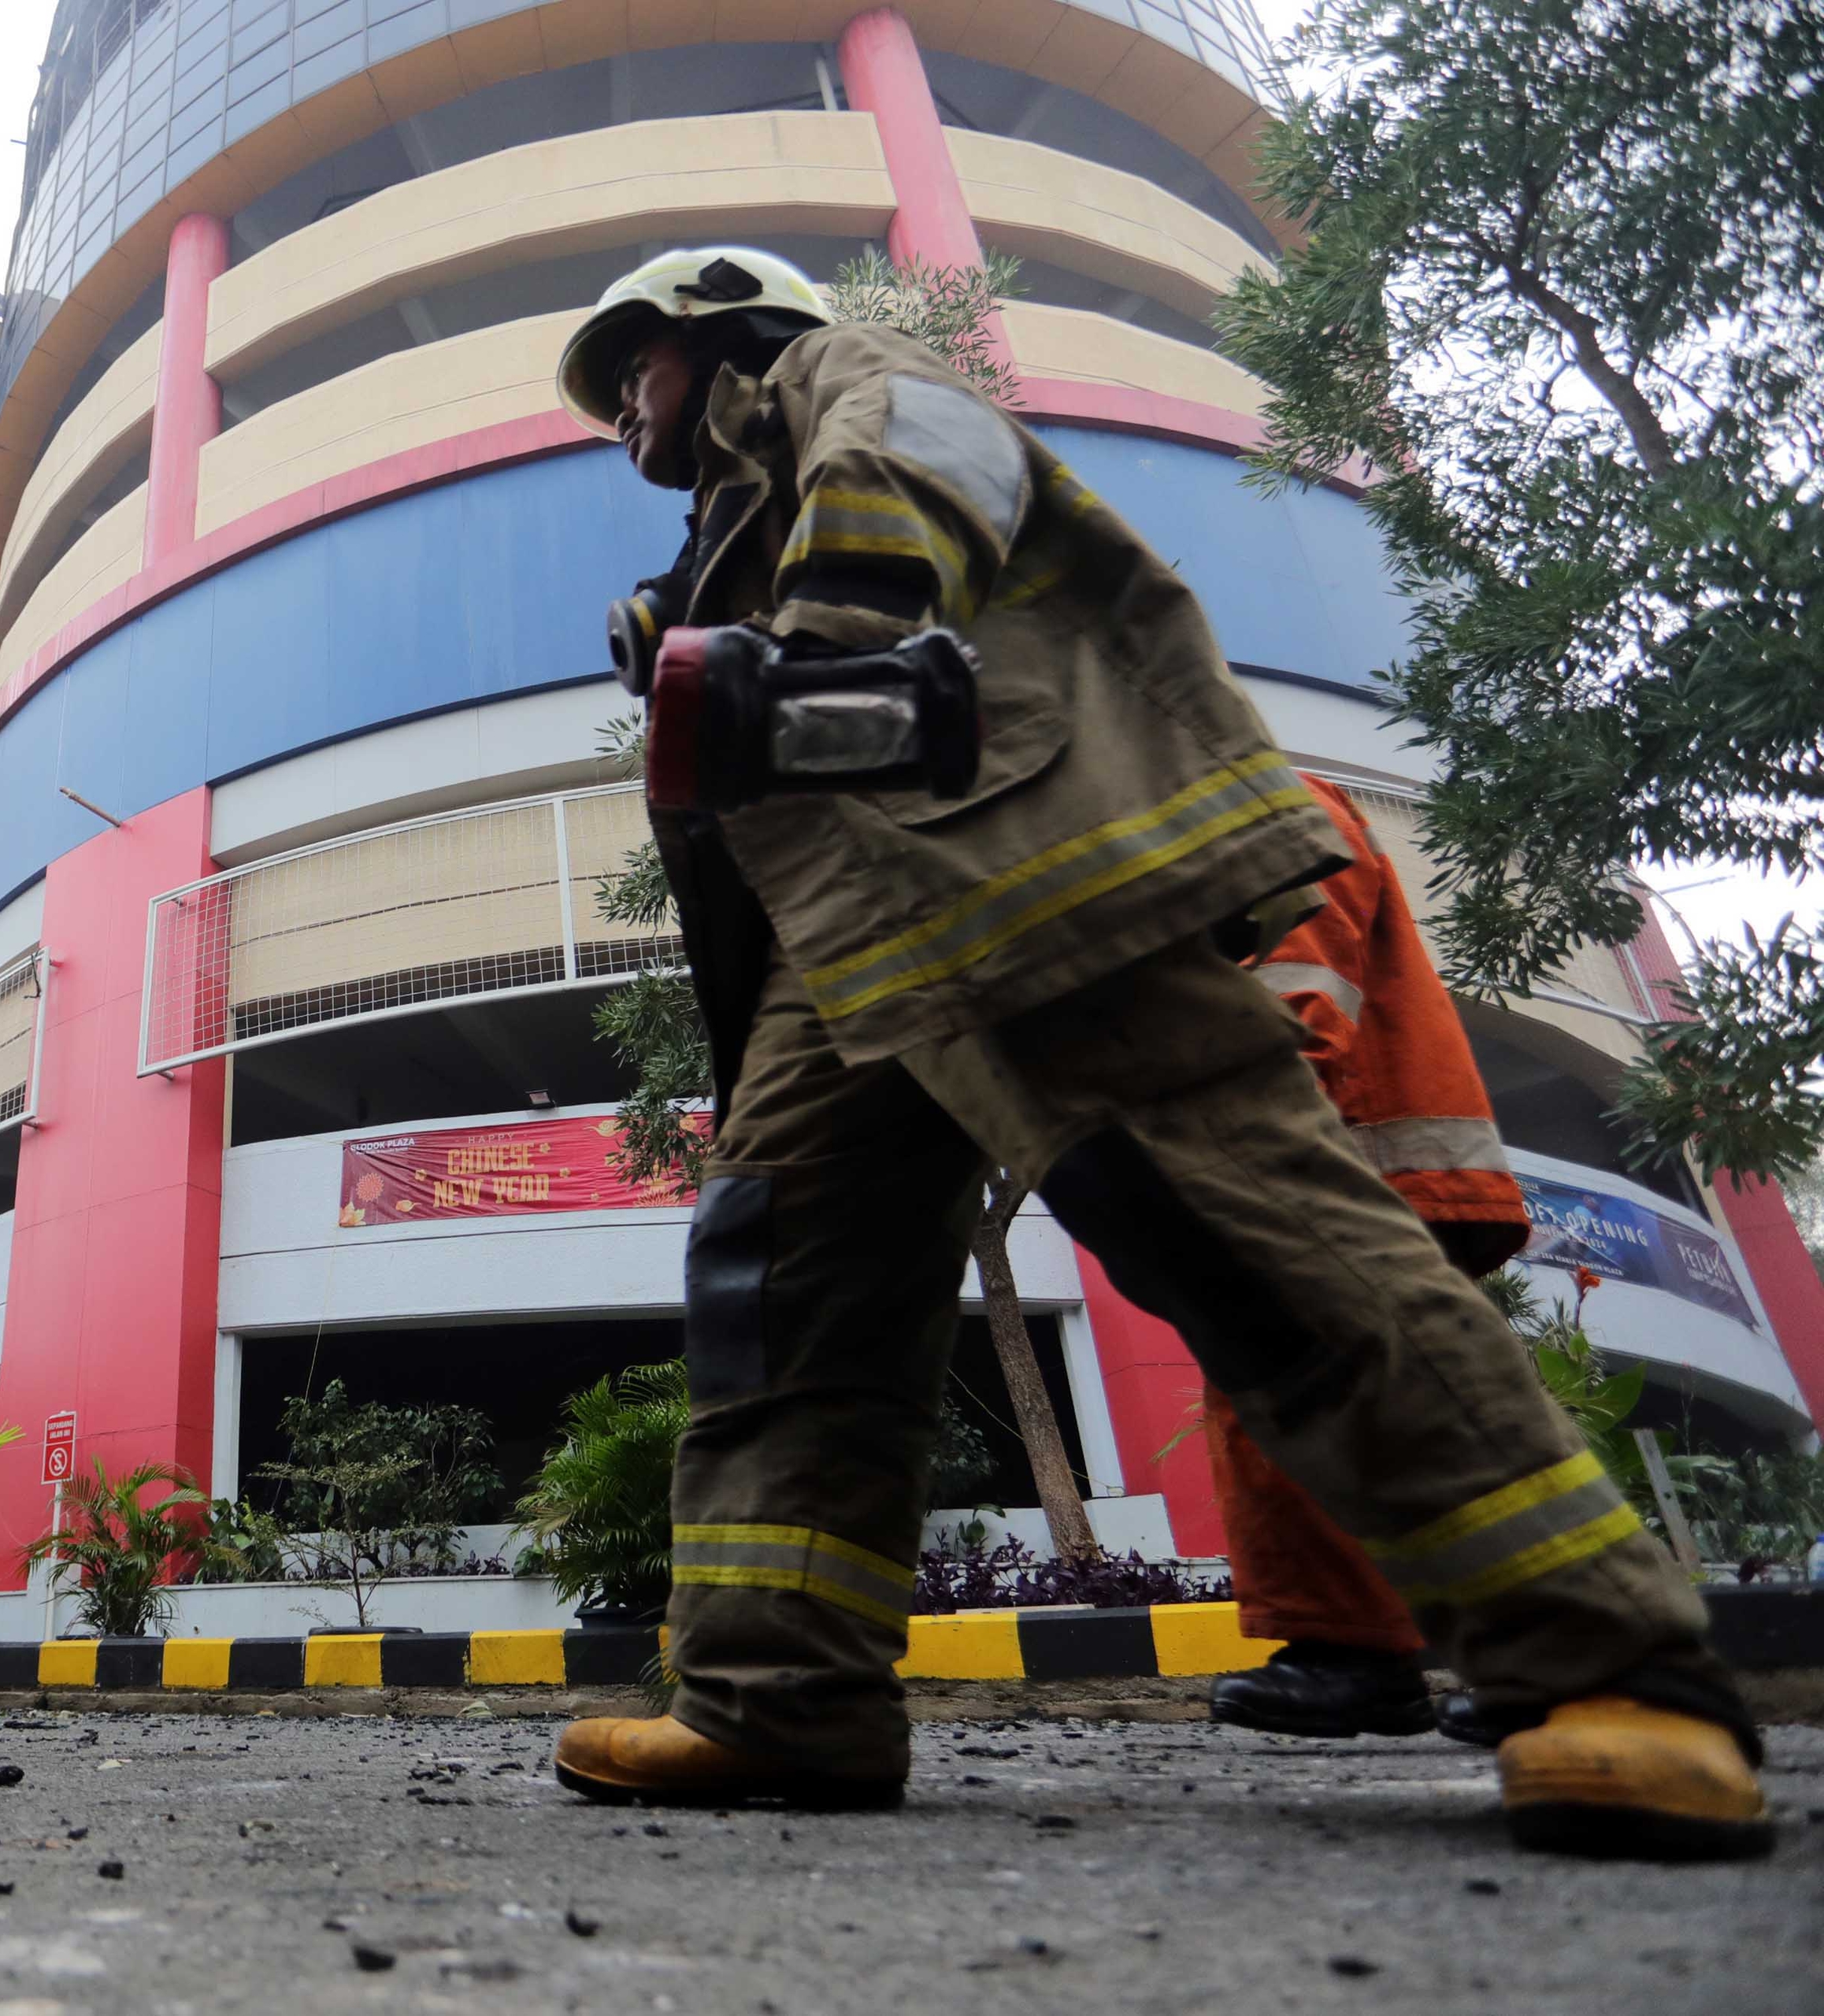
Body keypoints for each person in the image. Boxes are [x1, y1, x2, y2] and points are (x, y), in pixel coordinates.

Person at [543, 246, 1769, 1858]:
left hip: (1009, 879)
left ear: (721, 328)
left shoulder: (849, 381)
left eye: (632, 365)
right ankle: (778, 1697)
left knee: (1254, 1240)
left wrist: (830, 634)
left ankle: (1613, 1667)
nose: (620, 407)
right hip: (831, 966)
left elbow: (920, 474)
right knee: (783, 1306)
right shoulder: (726, 527)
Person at [1201, 773, 1527, 1742]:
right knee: (1310, 1411)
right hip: (1340, 1165)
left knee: (1395, 1415)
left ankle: (1560, 1650)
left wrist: (1235, 1140)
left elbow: (1298, 994)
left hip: (1351, 1165)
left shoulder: (1257, 797)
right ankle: (1361, 1652)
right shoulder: (1218, 799)